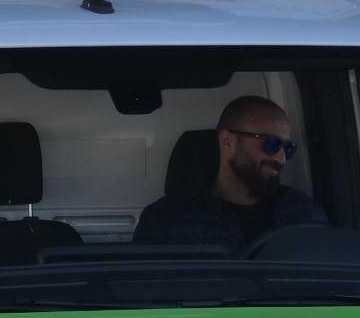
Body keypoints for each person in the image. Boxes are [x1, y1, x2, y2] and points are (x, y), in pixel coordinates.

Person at [131, 94, 330, 250]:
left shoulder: (303, 214)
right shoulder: (166, 221)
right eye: (271, 143)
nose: (281, 158)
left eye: (288, 148)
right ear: (228, 141)